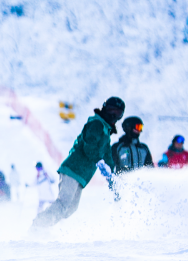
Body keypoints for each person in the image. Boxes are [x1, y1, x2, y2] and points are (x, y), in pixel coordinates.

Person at [32, 96, 124, 228]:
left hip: (81, 174)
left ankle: (43, 226)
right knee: (63, 204)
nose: (114, 116)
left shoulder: (105, 130)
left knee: (70, 209)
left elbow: (107, 154)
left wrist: (111, 173)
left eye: (118, 114)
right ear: (105, 108)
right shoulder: (96, 124)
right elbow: (90, 146)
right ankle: (38, 226)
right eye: (111, 111)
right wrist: (100, 162)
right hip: (73, 169)